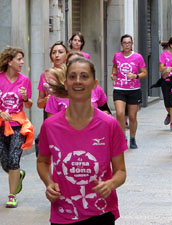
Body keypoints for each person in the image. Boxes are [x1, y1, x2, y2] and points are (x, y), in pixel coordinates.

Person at [37, 57, 127, 225]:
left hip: (101, 212)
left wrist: (110, 184)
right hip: (63, 213)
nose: (78, 81)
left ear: (95, 83)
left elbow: (121, 171)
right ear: (66, 83)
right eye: (72, 76)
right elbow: (42, 161)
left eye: (84, 76)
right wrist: (49, 183)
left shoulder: (109, 124)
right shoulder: (50, 126)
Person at [0, 46, 34, 208]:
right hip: (1, 124)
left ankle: (12, 195)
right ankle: (18, 174)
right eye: (19, 59)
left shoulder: (24, 80)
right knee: (5, 162)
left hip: (18, 125)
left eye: (22, 59)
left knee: (14, 159)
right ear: (9, 61)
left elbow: (29, 105)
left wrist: (26, 97)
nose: (22, 62)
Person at [44, 52, 111, 117]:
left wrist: (98, 118)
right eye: (71, 63)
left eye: (80, 62)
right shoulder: (57, 94)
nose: (76, 66)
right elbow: (51, 122)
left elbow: (106, 110)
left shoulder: (96, 89)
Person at [111, 34, 147, 149]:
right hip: (119, 89)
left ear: (132, 44)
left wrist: (135, 76)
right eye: (124, 43)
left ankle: (132, 138)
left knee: (132, 116)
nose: (127, 45)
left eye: (129, 43)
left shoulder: (138, 57)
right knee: (120, 114)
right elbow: (115, 67)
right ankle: (122, 137)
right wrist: (114, 75)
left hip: (133, 90)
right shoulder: (117, 56)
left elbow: (144, 73)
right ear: (121, 44)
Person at [159, 37, 172, 131]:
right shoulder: (164, 55)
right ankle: (170, 114)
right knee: (167, 103)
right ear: (171, 46)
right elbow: (160, 68)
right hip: (166, 80)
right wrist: (166, 69)